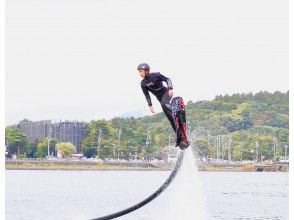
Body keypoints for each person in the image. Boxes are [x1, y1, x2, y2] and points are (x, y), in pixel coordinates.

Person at [138, 63, 177, 133]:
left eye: (141, 71)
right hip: (160, 98)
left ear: (146, 71)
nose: (139, 73)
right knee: (169, 116)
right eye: (139, 72)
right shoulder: (143, 83)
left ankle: (175, 113)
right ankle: (178, 134)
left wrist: (170, 88)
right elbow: (146, 95)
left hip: (166, 93)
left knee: (164, 104)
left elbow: (167, 79)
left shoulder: (156, 75)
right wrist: (150, 105)